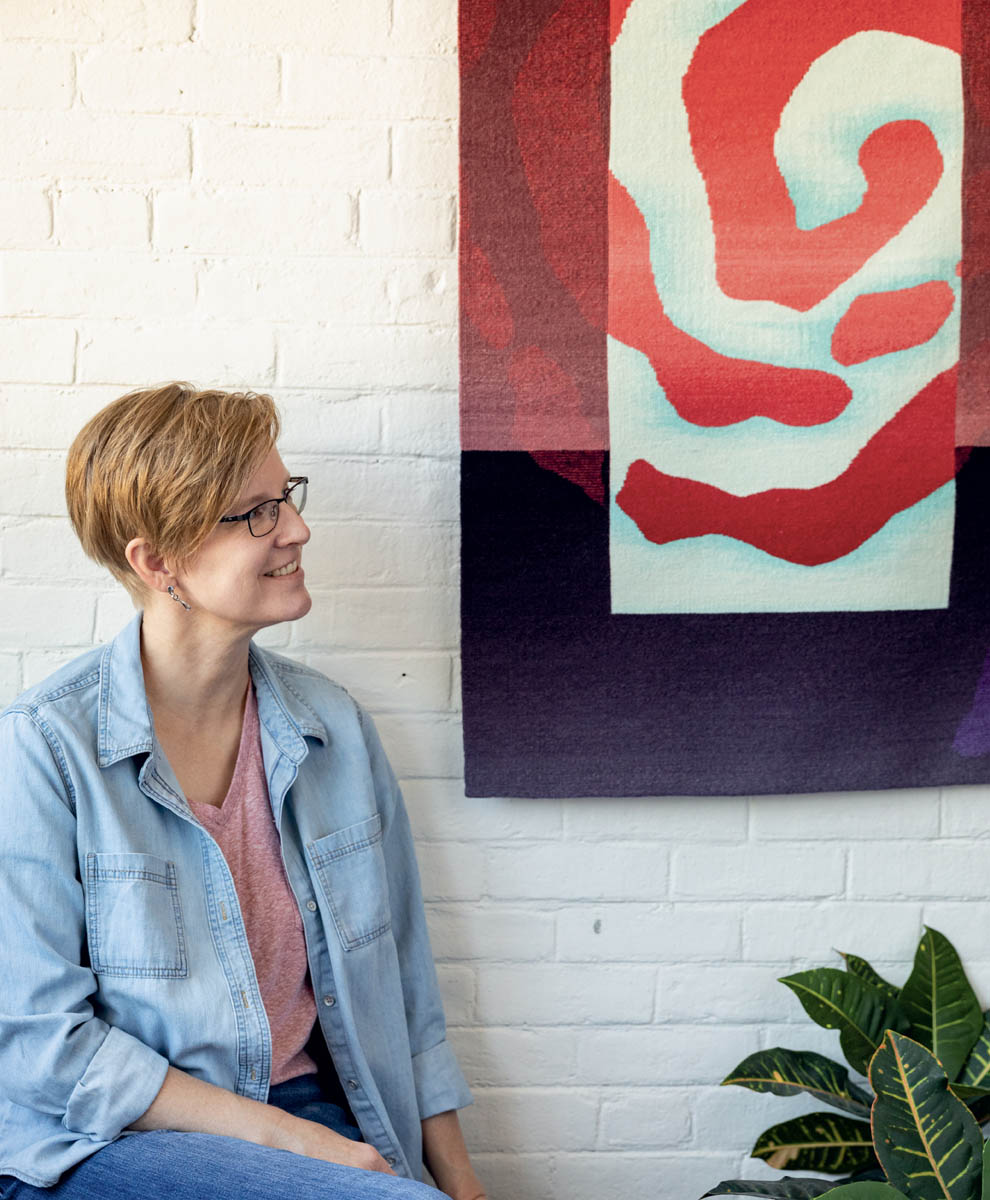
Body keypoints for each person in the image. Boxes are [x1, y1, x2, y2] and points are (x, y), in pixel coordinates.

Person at [0, 383, 486, 1200]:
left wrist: (464, 1187)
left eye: (286, 499)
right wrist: (302, 1146)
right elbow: (44, 1045)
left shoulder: (332, 729)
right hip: (112, 1142)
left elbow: (405, 991)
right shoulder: (44, 748)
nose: (296, 529)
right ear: (157, 562)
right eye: (255, 513)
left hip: (324, 1121)